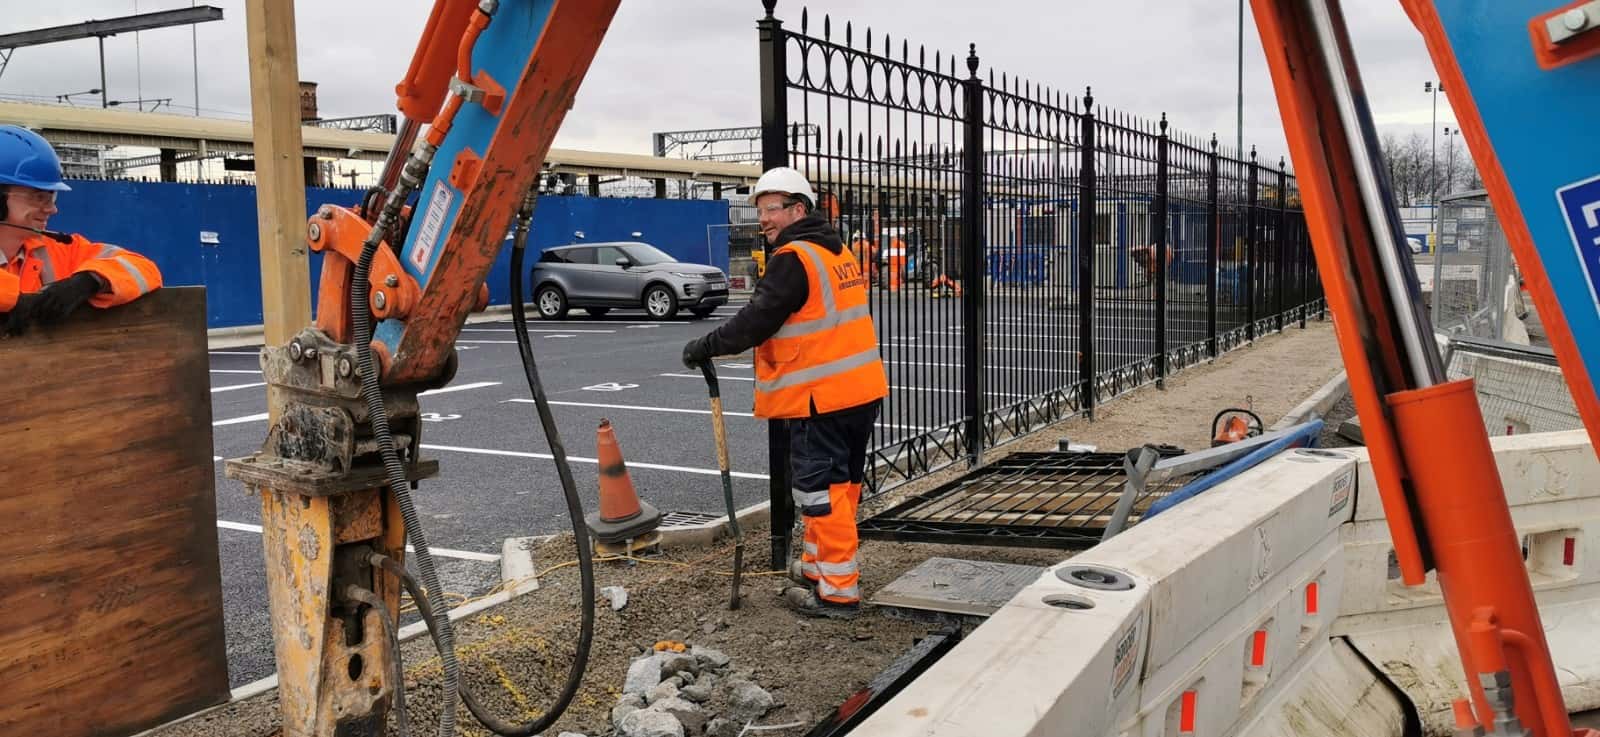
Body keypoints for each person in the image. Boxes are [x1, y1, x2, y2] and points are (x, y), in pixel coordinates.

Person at [681, 166, 888, 618]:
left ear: (798, 209)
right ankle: (819, 567)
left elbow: (756, 320)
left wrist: (705, 346)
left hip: (822, 398)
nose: (764, 220)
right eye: (760, 211)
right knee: (841, 487)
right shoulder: (837, 251)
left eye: (771, 210)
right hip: (859, 390)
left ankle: (836, 592)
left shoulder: (795, 258)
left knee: (821, 492)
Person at [0, 125, 162, 337]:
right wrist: (14, 298)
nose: (52, 209)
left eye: (52, 197)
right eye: (39, 197)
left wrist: (90, 281)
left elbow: (144, 269)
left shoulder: (57, 250)